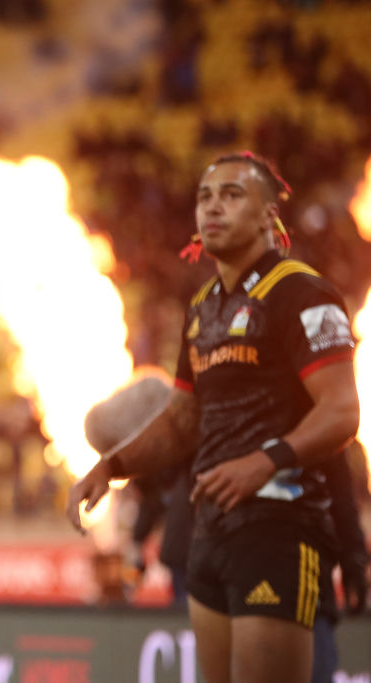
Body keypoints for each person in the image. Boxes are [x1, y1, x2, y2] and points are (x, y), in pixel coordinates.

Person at [66, 151, 361, 683]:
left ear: (270, 214)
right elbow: (183, 418)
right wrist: (112, 465)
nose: (213, 208)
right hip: (211, 534)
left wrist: (263, 463)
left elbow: (342, 413)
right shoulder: (203, 306)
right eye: (205, 197)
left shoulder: (303, 292)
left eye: (232, 194)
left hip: (279, 530)